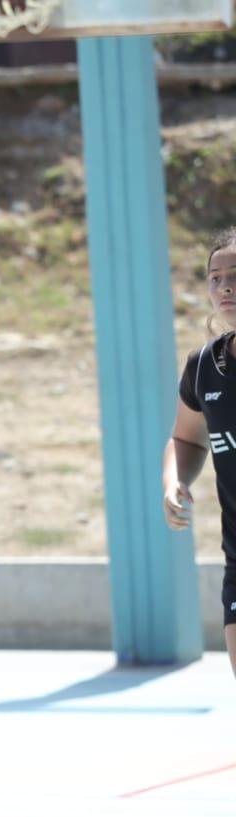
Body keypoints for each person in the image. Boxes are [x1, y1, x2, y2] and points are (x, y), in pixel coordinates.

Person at [165, 227, 236, 671]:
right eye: (215, 277)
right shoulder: (205, 366)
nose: (225, 285)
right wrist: (175, 481)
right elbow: (187, 437)